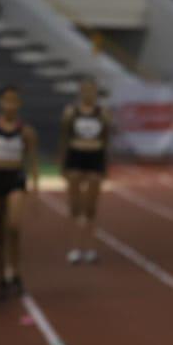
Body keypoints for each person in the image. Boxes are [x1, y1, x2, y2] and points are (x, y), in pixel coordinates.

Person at [0, 85, 39, 294]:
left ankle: (16, 272)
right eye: (6, 100)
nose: (10, 105)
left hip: (15, 179)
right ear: (0, 102)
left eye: (14, 100)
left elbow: (32, 161)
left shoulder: (26, 131)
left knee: (13, 226)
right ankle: (1, 274)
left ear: (19, 104)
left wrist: (36, 189)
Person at [60, 78, 114, 263]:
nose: (89, 94)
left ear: (96, 93)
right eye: (85, 90)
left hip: (95, 157)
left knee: (90, 207)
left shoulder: (103, 114)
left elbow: (106, 140)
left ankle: (89, 247)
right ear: (80, 92)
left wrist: (105, 164)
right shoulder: (71, 112)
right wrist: (63, 165)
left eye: (92, 90)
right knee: (75, 206)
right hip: (75, 157)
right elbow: (65, 138)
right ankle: (74, 246)